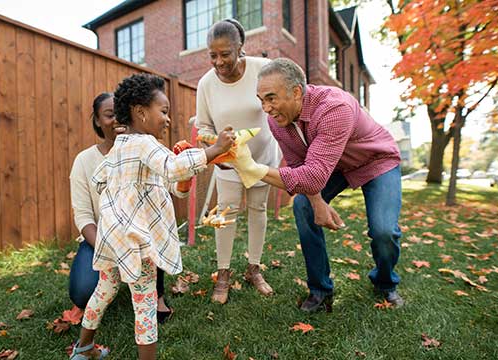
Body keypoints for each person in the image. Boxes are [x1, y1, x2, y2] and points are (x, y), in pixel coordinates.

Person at [70, 73, 235, 360]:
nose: (168, 119)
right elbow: (173, 169)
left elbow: (101, 179)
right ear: (140, 112)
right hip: (136, 240)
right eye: (164, 111)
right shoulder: (145, 145)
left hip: (112, 238)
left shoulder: (121, 145)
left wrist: (160, 182)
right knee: (145, 304)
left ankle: (83, 348)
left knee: (104, 290)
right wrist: (215, 150)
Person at [232, 57, 404, 312]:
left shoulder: (335, 107)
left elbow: (312, 176)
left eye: (271, 98)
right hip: (334, 166)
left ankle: (384, 281)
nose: (266, 108)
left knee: (383, 231)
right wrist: (317, 202)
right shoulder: (277, 121)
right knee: (303, 205)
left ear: (296, 92)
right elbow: (298, 167)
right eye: (261, 100)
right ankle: (320, 289)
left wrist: (253, 169)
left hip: (376, 160)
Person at [195, 18, 281, 304]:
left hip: (262, 159)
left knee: (258, 209)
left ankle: (254, 269)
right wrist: (216, 149)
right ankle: (223, 273)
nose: (218, 62)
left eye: (225, 54)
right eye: (212, 55)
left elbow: (278, 102)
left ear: (239, 48)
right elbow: (204, 127)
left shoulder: (260, 69)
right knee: (226, 216)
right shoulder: (206, 84)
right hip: (227, 162)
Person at [68, 93, 173, 323]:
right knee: (82, 292)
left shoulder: (147, 150)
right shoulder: (84, 161)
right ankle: (114, 280)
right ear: (97, 120)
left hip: (141, 237)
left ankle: (157, 295)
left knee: (150, 237)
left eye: (121, 112)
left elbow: (168, 190)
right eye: (109, 114)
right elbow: (84, 216)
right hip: (102, 238)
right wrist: (112, 248)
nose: (117, 119)